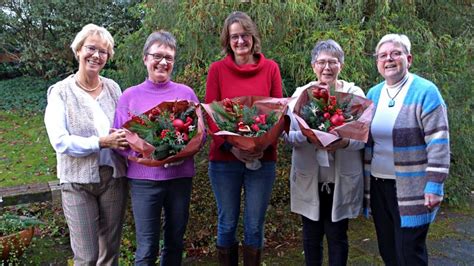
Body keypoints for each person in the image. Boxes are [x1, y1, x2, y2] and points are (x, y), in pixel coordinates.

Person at [113, 30, 200, 266]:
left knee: (175, 242)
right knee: (147, 246)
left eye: (169, 58)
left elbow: (199, 134)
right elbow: (119, 140)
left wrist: (182, 153)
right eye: (158, 56)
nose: (163, 62)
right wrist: (145, 154)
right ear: (145, 58)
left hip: (179, 178)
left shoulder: (186, 94)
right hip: (144, 181)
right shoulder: (129, 96)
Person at [44, 23, 128, 265]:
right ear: (78, 50)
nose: (97, 55)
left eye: (103, 52)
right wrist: (102, 142)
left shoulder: (113, 88)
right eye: (91, 48)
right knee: (86, 256)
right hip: (77, 181)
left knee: (110, 252)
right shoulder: (60, 92)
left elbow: (124, 127)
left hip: (113, 178)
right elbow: (60, 141)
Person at [205, 11, 283, 266]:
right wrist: (231, 147)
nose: (240, 41)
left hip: (263, 159)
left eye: (245, 35)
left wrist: (263, 145)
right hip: (225, 160)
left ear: (253, 37)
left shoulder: (270, 68)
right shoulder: (217, 70)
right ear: (227, 41)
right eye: (234, 36)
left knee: (254, 225)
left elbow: (279, 113)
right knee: (227, 223)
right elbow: (211, 116)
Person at [364, 33, 450, 266]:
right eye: (382, 55)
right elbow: (365, 140)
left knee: (409, 252)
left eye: (396, 53)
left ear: (409, 59)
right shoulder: (373, 94)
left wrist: (434, 185)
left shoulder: (425, 91)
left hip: (414, 188)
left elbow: (439, 142)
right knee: (388, 250)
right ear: (377, 63)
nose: (389, 59)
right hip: (379, 184)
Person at [284, 39, 365, 266]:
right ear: (313, 66)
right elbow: (287, 137)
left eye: (333, 62)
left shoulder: (353, 94)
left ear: (341, 65)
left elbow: (363, 138)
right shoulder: (300, 95)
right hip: (309, 177)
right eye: (321, 62)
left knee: (337, 236)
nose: (327, 67)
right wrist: (309, 136)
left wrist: (342, 142)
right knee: (310, 237)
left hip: (341, 179)